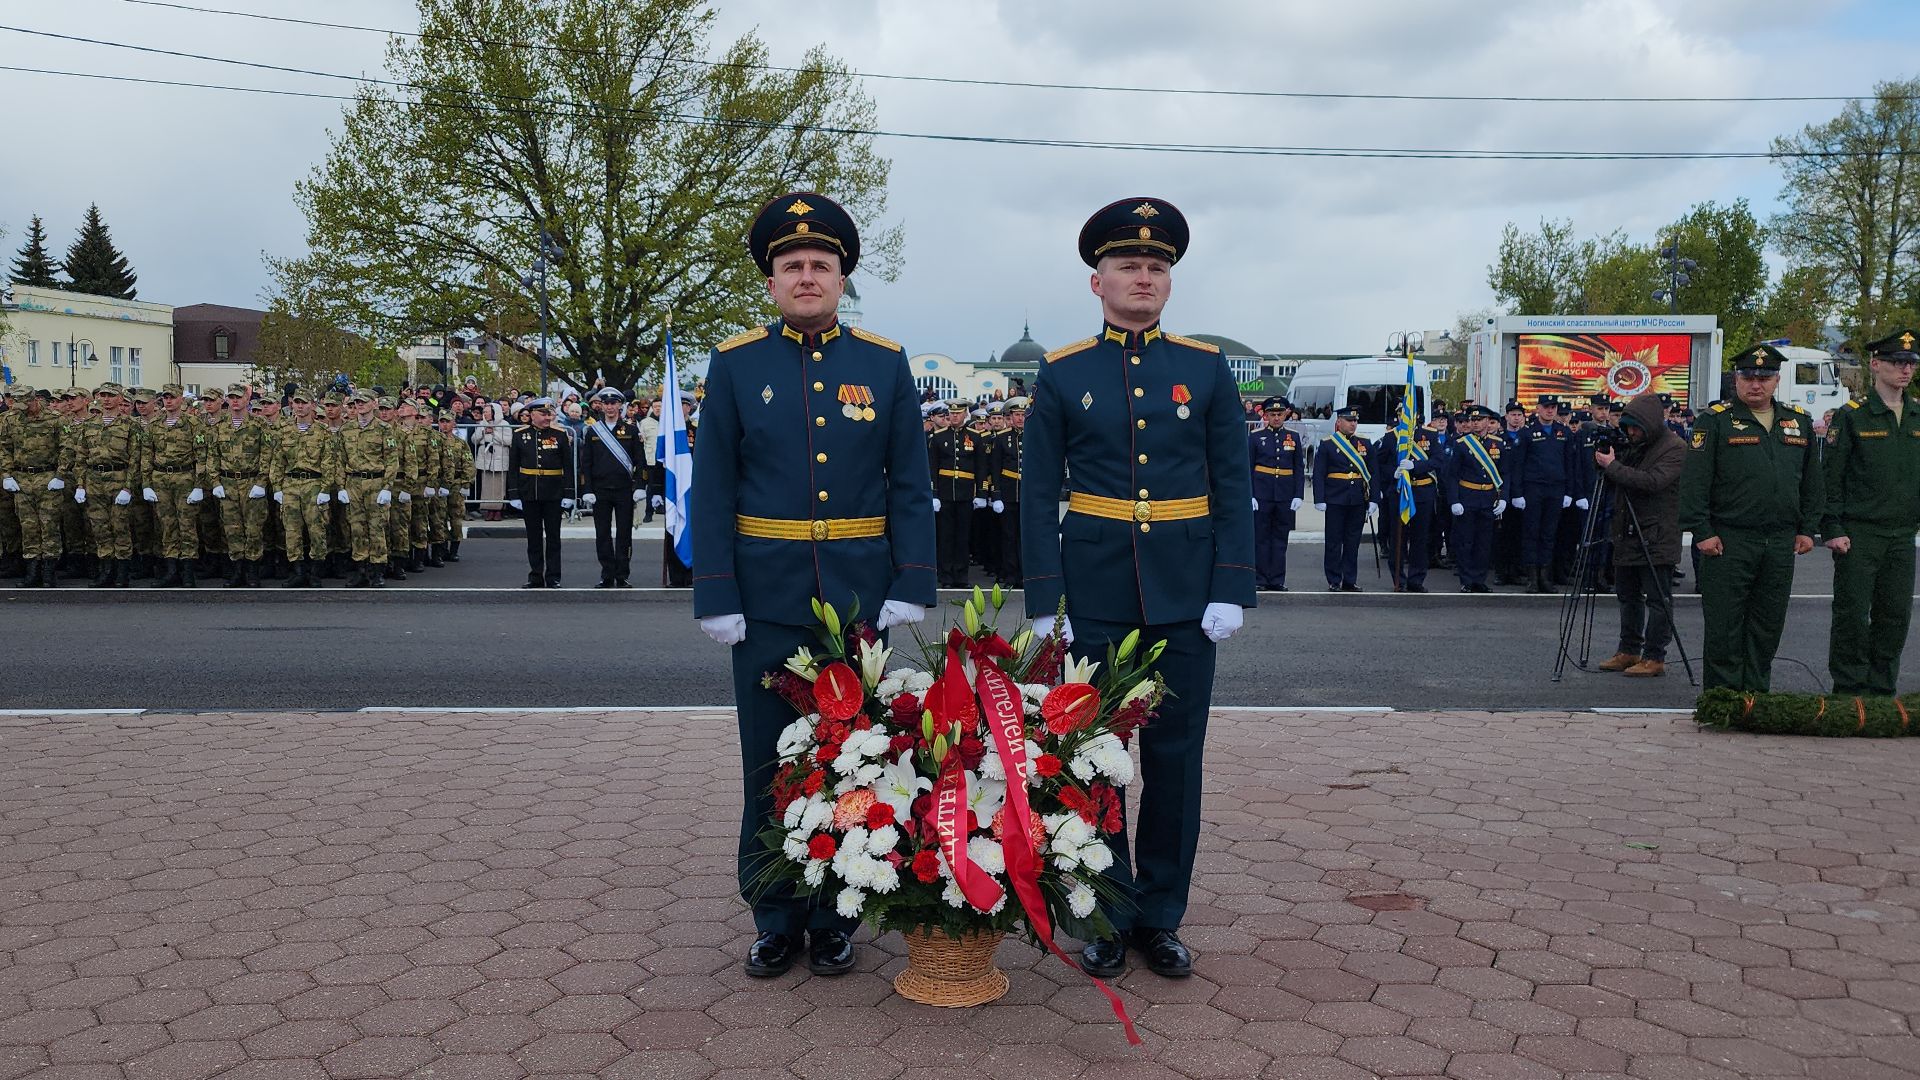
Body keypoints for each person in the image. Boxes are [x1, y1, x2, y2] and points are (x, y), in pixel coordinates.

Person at [690, 191, 934, 980]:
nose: (806, 277)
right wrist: (717, 591)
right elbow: (715, 489)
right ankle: (773, 912)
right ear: (770, 282)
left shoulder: (883, 362)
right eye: (791, 266)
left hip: (860, 596)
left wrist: (912, 579)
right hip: (764, 593)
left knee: (852, 758)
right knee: (768, 759)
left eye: (820, 265)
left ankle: (837, 914)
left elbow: (908, 483)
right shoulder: (734, 364)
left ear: (841, 278)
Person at [1021, 196, 1254, 979]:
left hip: (1186, 594)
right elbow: (1036, 495)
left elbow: (1232, 484)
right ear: (1098, 281)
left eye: (1157, 267)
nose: (1144, 277)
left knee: (1176, 760)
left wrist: (1231, 586)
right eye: (1128, 265)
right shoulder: (1062, 373)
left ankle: (1161, 915)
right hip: (1094, 592)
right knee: (1093, 757)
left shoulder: (1204, 368)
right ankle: (1105, 911)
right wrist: (1045, 604)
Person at [1679, 343, 1822, 691]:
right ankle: (1723, 699)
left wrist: (1807, 529)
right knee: (1724, 624)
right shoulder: (1714, 422)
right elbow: (1694, 483)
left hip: (1779, 541)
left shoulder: (1797, 422)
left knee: (1767, 623)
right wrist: (1701, 531)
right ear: (1736, 380)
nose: (1756, 384)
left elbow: (1812, 482)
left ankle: (1756, 696)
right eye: (1748, 377)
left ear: (1776, 380)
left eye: (1765, 377)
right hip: (1729, 540)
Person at [1821, 329, 1920, 696]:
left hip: (1902, 533)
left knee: (1894, 616)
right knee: (1851, 615)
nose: (1905, 370)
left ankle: (1881, 690)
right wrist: (1832, 525)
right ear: (1876, 364)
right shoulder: (1853, 416)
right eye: (1897, 362)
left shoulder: (1916, 414)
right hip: (1859, 533)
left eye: (1910, 363)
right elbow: (1831, 477)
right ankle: (1848, 689)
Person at [1592, 393, 1686, 677]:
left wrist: (1613, 466)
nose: (1630, 433)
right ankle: (1629, 649)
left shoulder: (1675, 447)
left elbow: (1652, 481)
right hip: (1627, 531)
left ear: (1650, 424)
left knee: (1658, 599)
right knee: (1627, 595)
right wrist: (1605, 464)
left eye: (1635, 427)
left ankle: (1655, 656)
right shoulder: (1635, 445)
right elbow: (1618, 478)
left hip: (1657, 534)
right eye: (1627, 427)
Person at [267, 390, 340, 588]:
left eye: (304, 403)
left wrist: (325, 488)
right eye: (296, 403)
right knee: (291, 530)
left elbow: (329, 462)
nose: (299, 406)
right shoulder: (284, 431)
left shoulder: (322, 432)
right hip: (290, 484)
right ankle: (297, 571)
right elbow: (277, 461)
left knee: (317, 529)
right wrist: (277, 487)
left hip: (313, 484)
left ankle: (316, 572)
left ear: (312, 405)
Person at [207, 383, 275, 588]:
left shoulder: (259, 424)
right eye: (231, 397)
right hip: (227, 482)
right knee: (232, 528)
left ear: (247, 399)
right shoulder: (218, 425)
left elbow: (267, 454)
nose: (235, 401)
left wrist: (262, 482)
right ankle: (237, 570)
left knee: (253, 528)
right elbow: (212, 456)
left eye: (239, 397)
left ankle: (252, 570)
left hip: (251, 481)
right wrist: (215, 481)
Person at [2, 387, 70, 588]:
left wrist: (60, 475)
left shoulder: (55, 419)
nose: (21, 409)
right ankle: (32, 571)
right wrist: (6, 474)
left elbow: (67, 448)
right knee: (28, 526)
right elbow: (4, 448)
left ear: (35, 400)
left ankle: (49, 572)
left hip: (47, 476)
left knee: (49, 526)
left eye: (25, 405)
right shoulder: (11, 419)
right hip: (22, 478)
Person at [1509, 394, 1577, 593]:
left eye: (1553, 407)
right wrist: (1517, 493)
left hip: (1556, 489)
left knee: (1549, 534)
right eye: (1546, 407)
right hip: (1533, 488)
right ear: (1538, 408)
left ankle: (1545, 578)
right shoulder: (1527, 433)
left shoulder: (1563, 431)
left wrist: (1569, 492)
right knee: (1531, 533)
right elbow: (1518, 465)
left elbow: (1569, 464)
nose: (1550, 411)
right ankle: (1532, 578)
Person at [507, 398, 576, 588]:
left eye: (549, 414)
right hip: (529, 491)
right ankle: (535, 575)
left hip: (553, 492)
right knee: (534, 538)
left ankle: (554, 576)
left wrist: (569, 493)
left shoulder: (559, 435)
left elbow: (568, 467)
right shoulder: (520, 435)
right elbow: (513, 467)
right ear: (532, 415)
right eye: (544, 414)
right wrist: (513, 494)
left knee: (553, 537)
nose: (548, 417)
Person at [580, 386, 645, 587]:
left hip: (624, 489)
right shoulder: (593, 431)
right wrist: (587, 489)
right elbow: (586, 464)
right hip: (600, 490)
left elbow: (640, 461)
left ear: (620, 405)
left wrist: (640, 485)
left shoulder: (632, 431)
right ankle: (607, 573)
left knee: (624, 533)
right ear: (601, 406)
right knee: (603, 533)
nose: (610, 407)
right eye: (606, 403)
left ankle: (622, 574)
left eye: (613, 403)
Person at [1443, 405, 1508, 594]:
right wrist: (1454, 500)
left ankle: (1479, 579)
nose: (1476, 423)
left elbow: (1505, 473)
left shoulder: (1498, 444)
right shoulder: (1461, 444)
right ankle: (1466, 580)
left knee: (1484, 542)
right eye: (1473, 420)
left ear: (1489, 421)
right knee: (1466, 541)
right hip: (1467, 497)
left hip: (1488, 498)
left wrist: (1503, 498)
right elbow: (1452, 475)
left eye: (1480, 420)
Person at [338, 389, 398, 588]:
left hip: (376, 483)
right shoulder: (346, 429)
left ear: (374, 403)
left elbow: (391, 460)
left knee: (377, 527)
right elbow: (340, 460)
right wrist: (341, 486)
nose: (360, 405)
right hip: (354, 483)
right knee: (356, 528)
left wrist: (387, 487)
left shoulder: (384, 429)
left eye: (364, 402)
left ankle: (377, 570)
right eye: (357, 402)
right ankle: (361, 569)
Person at [1247, 397, 1304, 591]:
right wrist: (1250, 494)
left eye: (1280, 414)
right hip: (1262, 493)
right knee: (1261, 539)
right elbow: (1248, 467)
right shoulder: (1255, 436)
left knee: (1280, 539)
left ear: (1286, 415)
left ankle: (1277, 579)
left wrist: (1298, 494)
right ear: (1266, 416)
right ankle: (1261, 579)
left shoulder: (1293, 437)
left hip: (1284, 494)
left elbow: (1298, 467)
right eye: (1272, 415)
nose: (1277, 418)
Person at [1313, 406, 1371, 592]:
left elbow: (1373, 472)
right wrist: (1319, 498)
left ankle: (1350, 579)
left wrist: (1374, 499)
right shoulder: (1328, 444)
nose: (1353, 424)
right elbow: (1319, 473)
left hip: (1357, 499)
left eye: (1355, 421)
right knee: (1334, 541)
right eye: (1349, 420)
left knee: (1353, 542)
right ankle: (1334, 579)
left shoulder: (1364, 443)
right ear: (1339, 422)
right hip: (1335, 498)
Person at [1375, 424, 1439, 591]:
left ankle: (1416, 580)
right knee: (1398, 538)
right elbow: (1379, 464)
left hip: (1422, 491)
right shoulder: (1391, 437)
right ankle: (1398, 579)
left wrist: (1416, 466)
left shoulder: (1429, 435)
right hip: (1399, 491)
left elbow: (1438, 460)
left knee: (1420, 538)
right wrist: (1393, 472)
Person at [929, 399, 980, 587]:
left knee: (962, 537)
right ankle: (945, 575)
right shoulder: (939, 437)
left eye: (958, 413)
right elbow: (932, 467)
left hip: (966, 493)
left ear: (965, 414)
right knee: (945, 537)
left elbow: (981, 467)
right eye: (951, 413)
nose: (954, 416)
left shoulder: (975, 437)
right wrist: (934, 493)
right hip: (944, 493)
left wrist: (981, 493)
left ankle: (961, 575)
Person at [475, 402, 511, 521]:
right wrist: (483, 432)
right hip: (486, 459)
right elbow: (474, 440)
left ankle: (498, 510)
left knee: (499, 487)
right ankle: (489, 510)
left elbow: (508, 441)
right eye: (484, 412)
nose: (485, 413)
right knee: (486, 487)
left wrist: (494, 432)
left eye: (487, 411)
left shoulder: (504, 424)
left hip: (499, 457)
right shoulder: (481, 424)